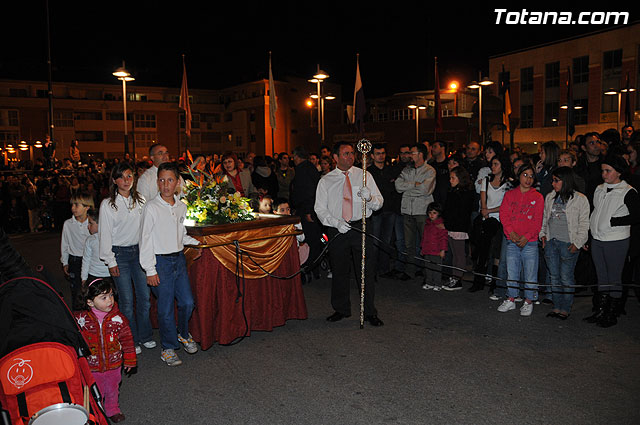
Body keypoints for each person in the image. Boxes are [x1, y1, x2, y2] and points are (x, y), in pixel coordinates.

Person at [314, 141, 384, 326]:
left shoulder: (364, 176)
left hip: (360, 226)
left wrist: (369, 197)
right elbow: (320, 209)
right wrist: (335, 222)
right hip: (338, 228)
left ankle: (369, 311)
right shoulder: (326, 180)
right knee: (339, 270)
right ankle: (341, 308)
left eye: (352, 153)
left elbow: (379, 202)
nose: (350, 156)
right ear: (335, 157)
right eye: (346, 154)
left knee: (365, 271)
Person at [140, 162, 202, 365]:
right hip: (160, 262)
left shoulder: (182, 206)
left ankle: (183, 333)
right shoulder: (151, 207)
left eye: (170, 180)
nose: (166, 185)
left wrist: (196, 243)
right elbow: (145, 239)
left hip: (179, 259)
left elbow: (180, 234)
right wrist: (150, 269)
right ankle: (168, 347)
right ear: (157, 182)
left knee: (187, 302)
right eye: (161, 180)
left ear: (177, 183)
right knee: (165, 308)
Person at [99, 162, 155, 355]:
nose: (126, 181)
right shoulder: (108, 204)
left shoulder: (140, 200)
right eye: (122, 177)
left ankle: (146, 335)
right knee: (127, 301)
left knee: (144, 298)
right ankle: (130, 338)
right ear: (115, 180)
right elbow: (104, 235)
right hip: (119, 255)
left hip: (139, 252)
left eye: (130, 176)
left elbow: (147, 229)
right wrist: (110, 260)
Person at [585, 155, 640, 327]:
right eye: (602, 170)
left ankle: (611, 314)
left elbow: (637, 215)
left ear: (619, 172)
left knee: (614, 278)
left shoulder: (628, 191)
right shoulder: (599, 189)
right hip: (597, 238)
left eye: (608, 170)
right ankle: (601, 310)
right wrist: (589, 234)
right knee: (601, 276)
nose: (604, 174)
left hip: (616, 239)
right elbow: (594, 212)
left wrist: (615, 221)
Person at [75, 278, 135, 423]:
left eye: (111, 295)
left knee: (112, 387)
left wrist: (130, 359)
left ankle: (112, 409)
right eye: (103, 297)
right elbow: (74, 340)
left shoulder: (118, 319)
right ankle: (95, 412)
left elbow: (127, 340)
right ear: (90, 302)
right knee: (94, 390)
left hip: (113, 364)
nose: (109, 300)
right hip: (91, 365)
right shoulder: (81, 319)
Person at [538, 167, 590, 320]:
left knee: (566, 277)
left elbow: (584, 224)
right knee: (554, 276)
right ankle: (556, 306)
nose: (553, 183)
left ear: (566, 180)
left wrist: (578, 243)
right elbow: (544, 219)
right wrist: (543, 236)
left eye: (556, 180)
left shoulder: (580, 199)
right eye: (553, 180)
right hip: (551, 242)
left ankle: (565, 308)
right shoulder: (550, 197)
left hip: (568, 244)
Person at [497, 163, 544, 316]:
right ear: (519, 176)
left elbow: (537, 221)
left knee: (530, 272)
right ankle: (511, 298)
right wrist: (511, 233)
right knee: (512, 271)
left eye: (531, 176)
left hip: (529, 242)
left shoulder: (537, 197)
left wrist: (528, 236)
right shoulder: (510, 195)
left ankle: (529, 300)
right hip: (512, 240)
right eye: (525, 175)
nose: (528, 179)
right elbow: (504, 215)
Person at [395, 143, 436, 279]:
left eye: (412, 153)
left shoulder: (430, 171)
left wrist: (408, 190)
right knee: (408, 244)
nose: (409, 156)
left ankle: (427, 272)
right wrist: (414, 185)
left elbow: (425, 189)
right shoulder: (407, 170)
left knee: (426, 243)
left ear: (420, 154)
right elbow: (398, 186)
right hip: (408, 211)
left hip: (422, 210)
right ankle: (410, 271)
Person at [472, 155, 512, 294]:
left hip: (500, 220)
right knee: (482, 251)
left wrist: (489, 210)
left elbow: (506, 204)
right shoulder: (487, 180)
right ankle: (478, 281)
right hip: (486, 218)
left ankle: (495, 283)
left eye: (496, 164)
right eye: (492, 164)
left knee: (496, 252)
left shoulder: (508, 183)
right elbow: (483, 198)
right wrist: (485, 210)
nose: (493, 167)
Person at [290, 146, 322, 280]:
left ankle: (310, 267)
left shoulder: (304, 170)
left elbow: (308, 191)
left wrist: (308, 211)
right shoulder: (309, 168)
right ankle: (313, 269)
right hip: (307, 208)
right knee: (312, 240)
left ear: (297, 157)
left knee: (311, 240)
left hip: (307, 210)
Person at [441, 166, 475, 291]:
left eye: (453, 178)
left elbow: (461, 212)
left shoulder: (465, 193)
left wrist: (449, 222)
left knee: (459, 255)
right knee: (455, 254)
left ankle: (458, 279)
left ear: (460, 179)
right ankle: (454, 277)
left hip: (459, 227)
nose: (450, 180)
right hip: (451, 226)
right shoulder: (453, 191)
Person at [61, 192, 94, 309]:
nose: (73, 208)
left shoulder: (93, 224)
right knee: (76, 291)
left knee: (91, 290)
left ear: (87, 207)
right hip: (75, 260)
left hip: (90, 261)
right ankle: (78, 318)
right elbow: (65, 244)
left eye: (76, 205)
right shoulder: (68, 224)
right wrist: (65, 262)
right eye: (72, 205)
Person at [420, 202, 448, 291]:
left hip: (436, 251)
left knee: (437, 269)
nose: (432, 215)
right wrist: (422, 248)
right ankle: (429, 282)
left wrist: (443, 250)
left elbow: (443, 238)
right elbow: (424, 237)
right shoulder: (427, 225)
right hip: (427, 250)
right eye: (430, 213)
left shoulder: (440, 225)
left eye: (434, 213)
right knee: (428, 268)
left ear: (439, 213)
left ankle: (437, 283)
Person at [81, 210, 111, 286]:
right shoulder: (90, 240)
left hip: (110, 275)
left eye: (91, 223)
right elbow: (86, 259)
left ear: (100, 224)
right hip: (94, 275)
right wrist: (84, 278)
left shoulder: (111, 238)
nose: (88, 227)